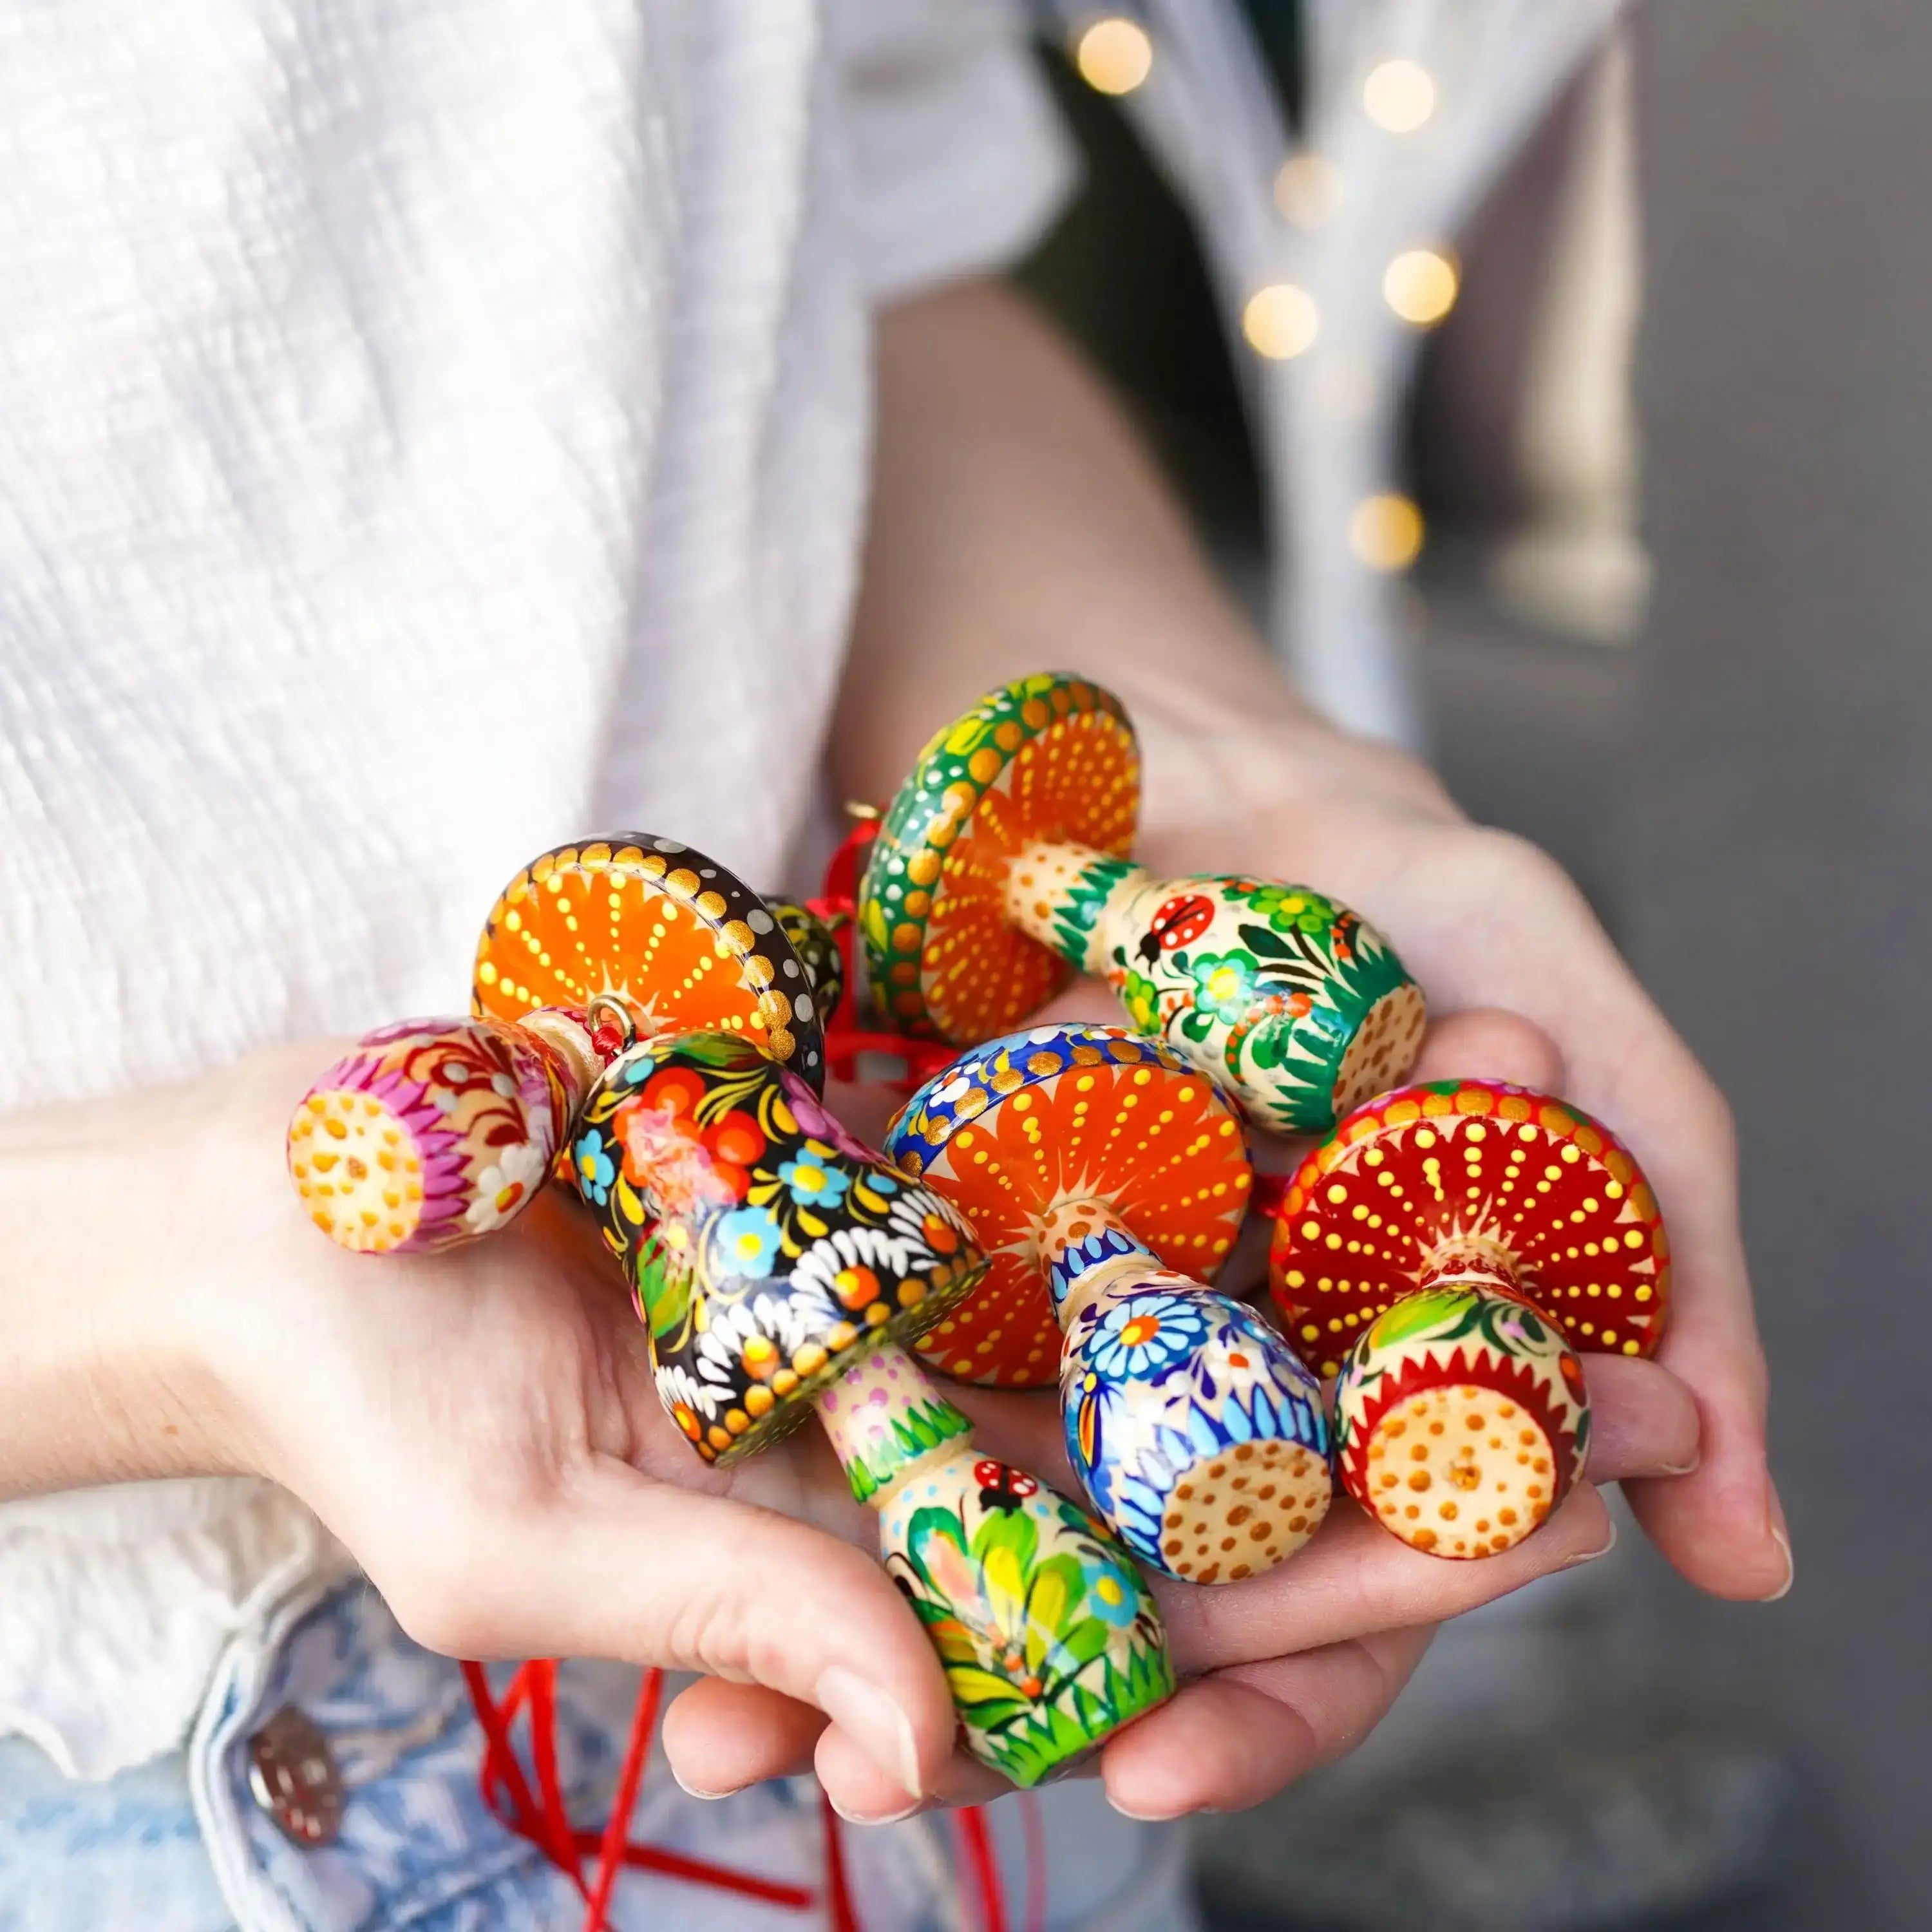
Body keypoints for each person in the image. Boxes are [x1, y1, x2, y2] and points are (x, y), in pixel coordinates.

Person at [0, 1, 1788, 1925]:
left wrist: (1234, 777)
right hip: (101, 1788)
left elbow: (842, 239)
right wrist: (147, 1285)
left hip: (970, 1748)